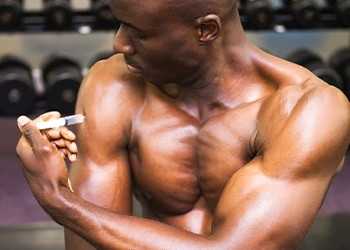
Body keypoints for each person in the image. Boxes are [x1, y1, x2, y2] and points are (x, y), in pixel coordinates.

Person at [16, 0, 350, 249]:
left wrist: (59, 199)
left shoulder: (309, 110)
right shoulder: (113, 87)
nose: (119, 44)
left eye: (139, 33)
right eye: (120, 24)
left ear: (206, 29)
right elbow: (91, 242)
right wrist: (63, 182)